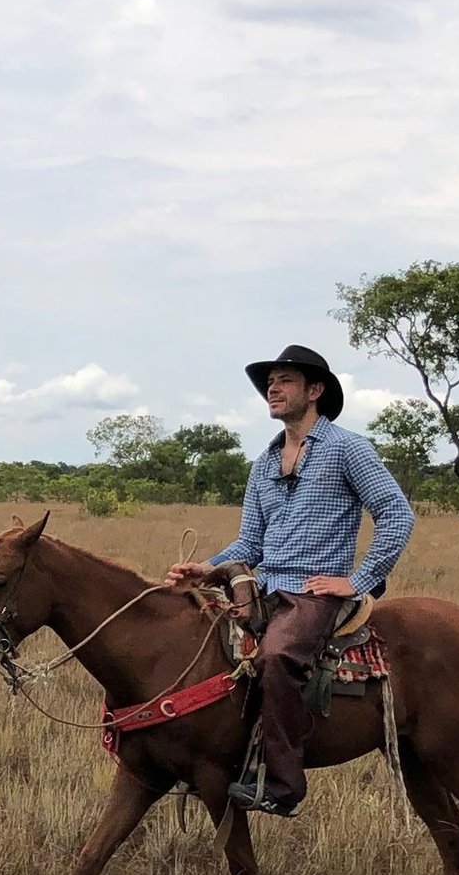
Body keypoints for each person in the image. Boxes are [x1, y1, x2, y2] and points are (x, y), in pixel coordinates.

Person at [165, 344, 413, 818]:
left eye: (285, 381)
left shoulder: (347, 449)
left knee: (277, 656)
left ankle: (281, 783)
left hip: (311, 592)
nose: (272, 390)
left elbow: (396, 516)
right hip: (264, 587)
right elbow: (251, 543)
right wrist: (209, 567)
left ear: (314, 391)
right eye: (269, 383)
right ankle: (221, 755)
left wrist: (357, 580)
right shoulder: (264, 462)